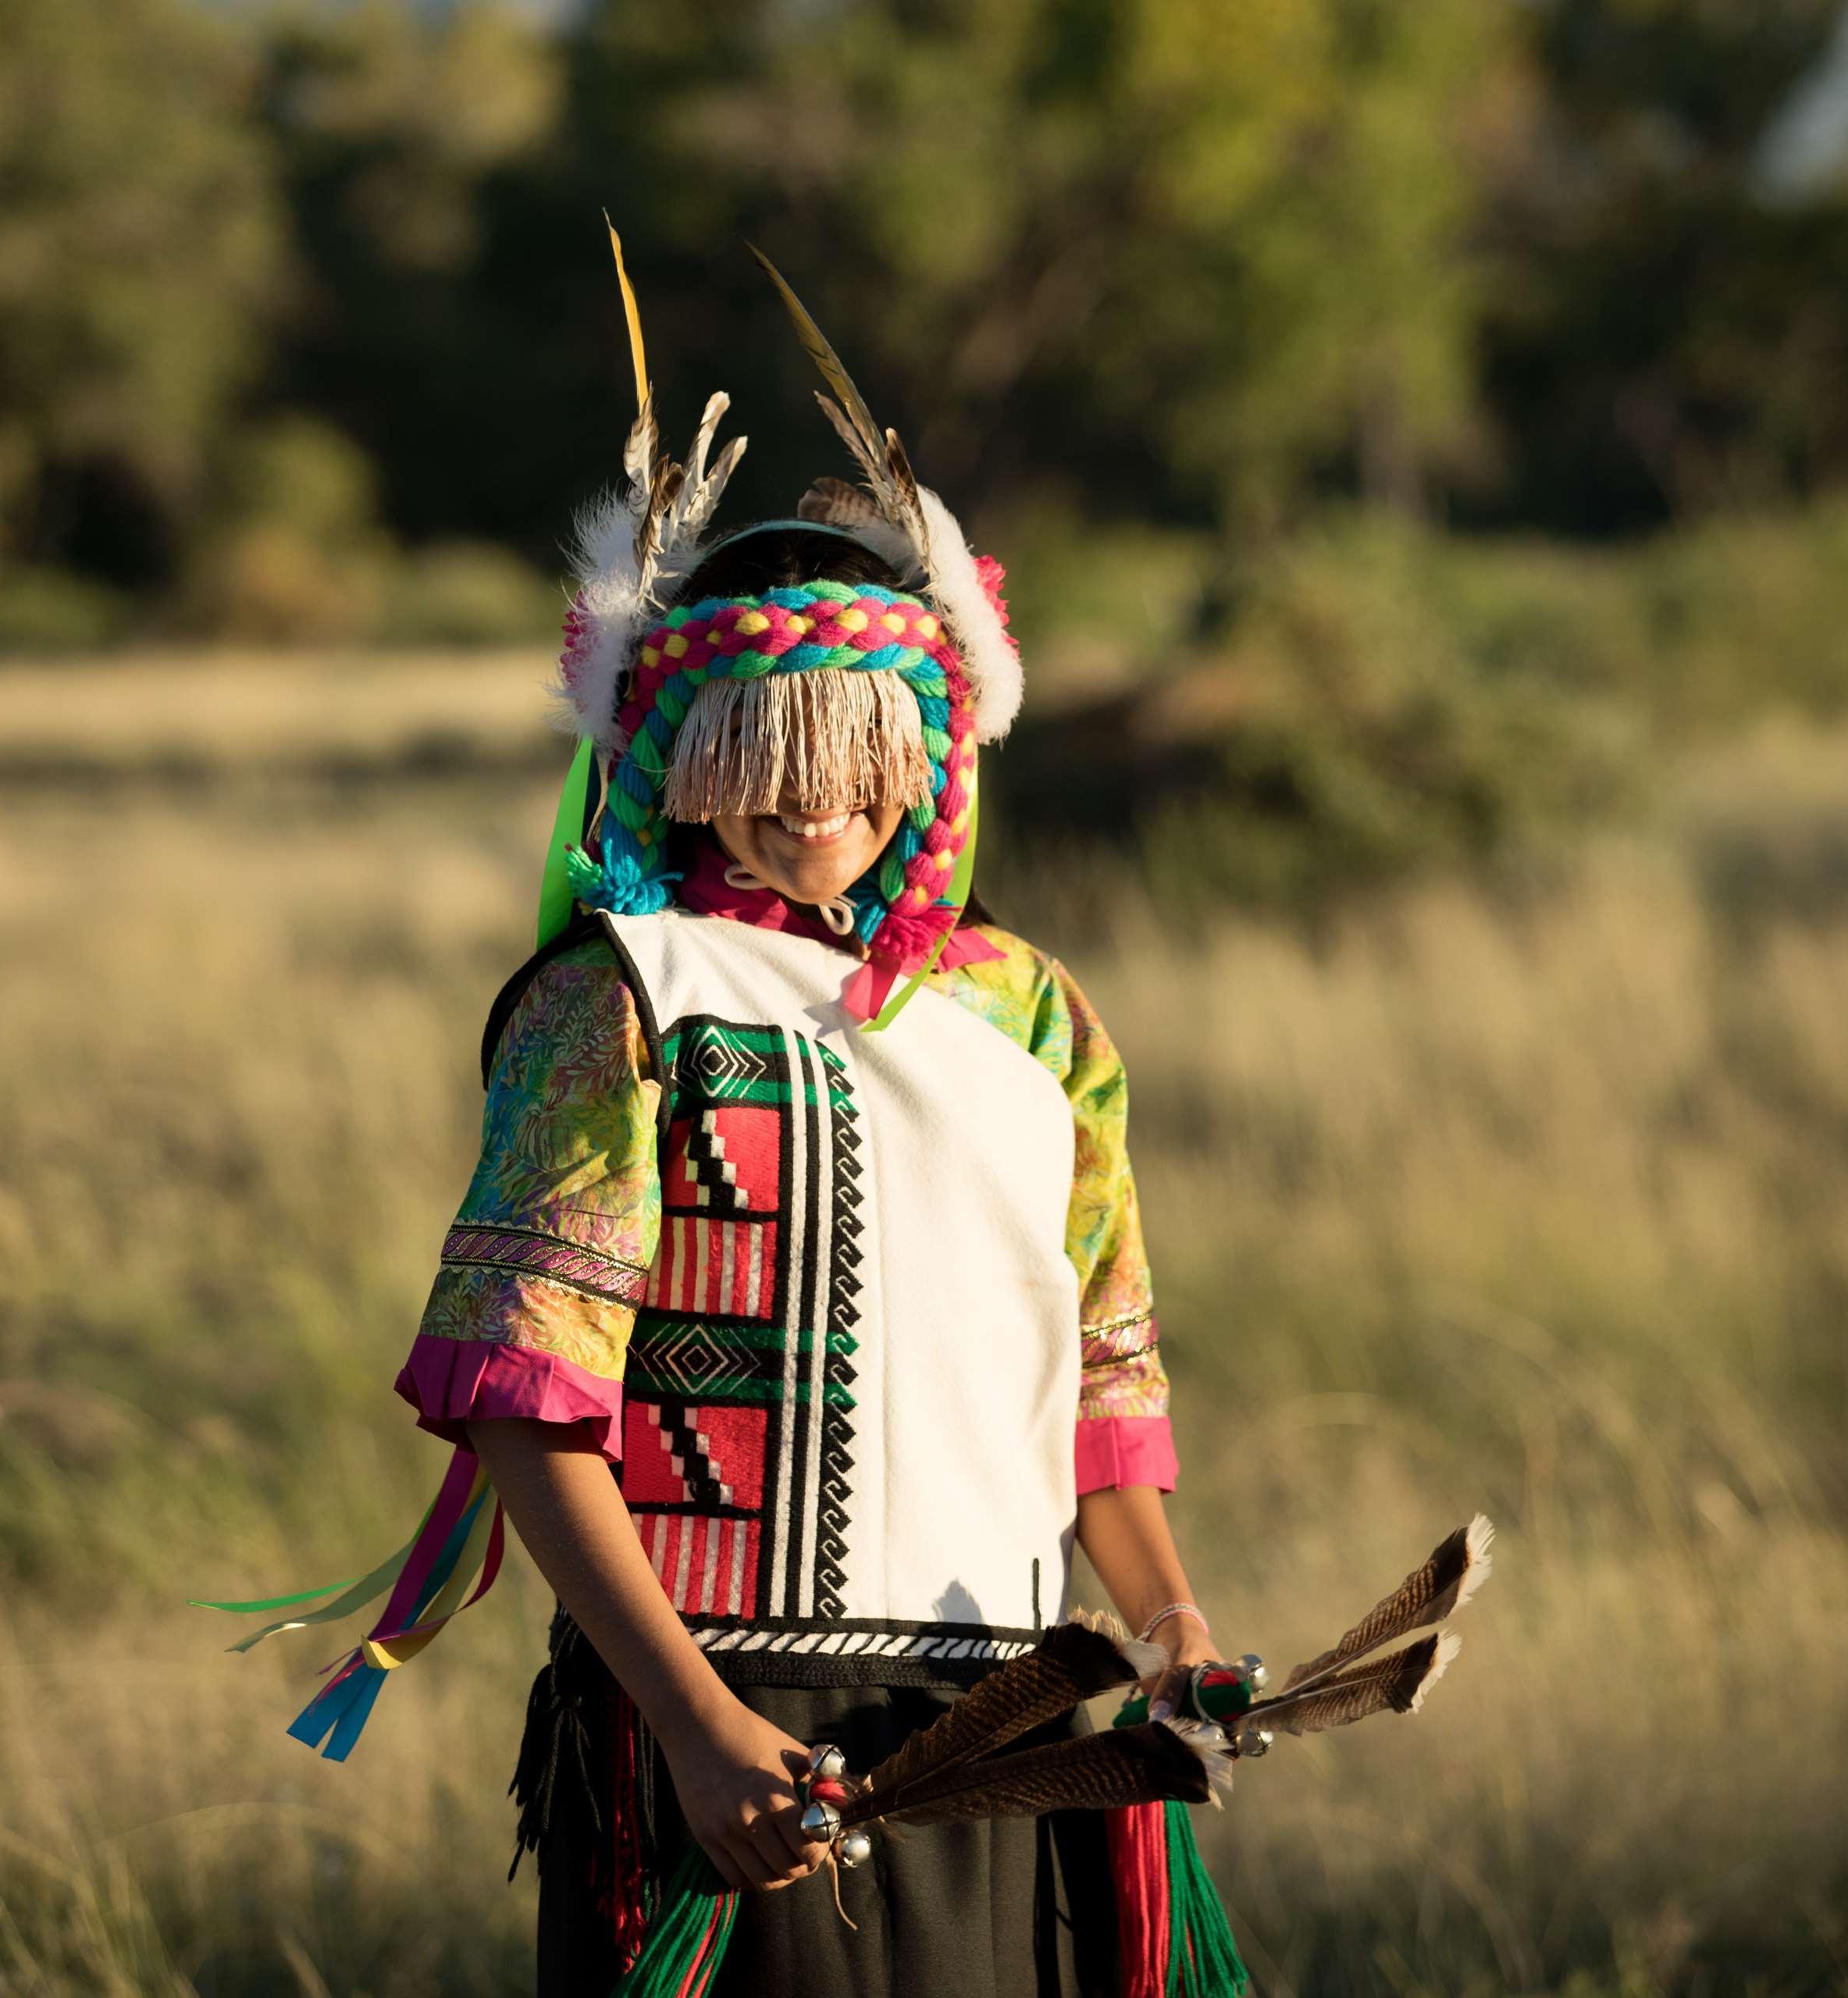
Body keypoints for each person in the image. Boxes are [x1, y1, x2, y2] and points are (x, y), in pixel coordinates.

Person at [255, 251, 1236, 1997]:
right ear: (678, 746)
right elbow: (527, 1405)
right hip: (715, 1717)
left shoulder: (1030, 1012)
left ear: (933, 749)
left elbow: (1102, 1393)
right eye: (763, 749)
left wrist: (1169, 1637)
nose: (820, 804)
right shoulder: (616, 998)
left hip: (1011, 1714)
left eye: (868, 752)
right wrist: (697, 1729)